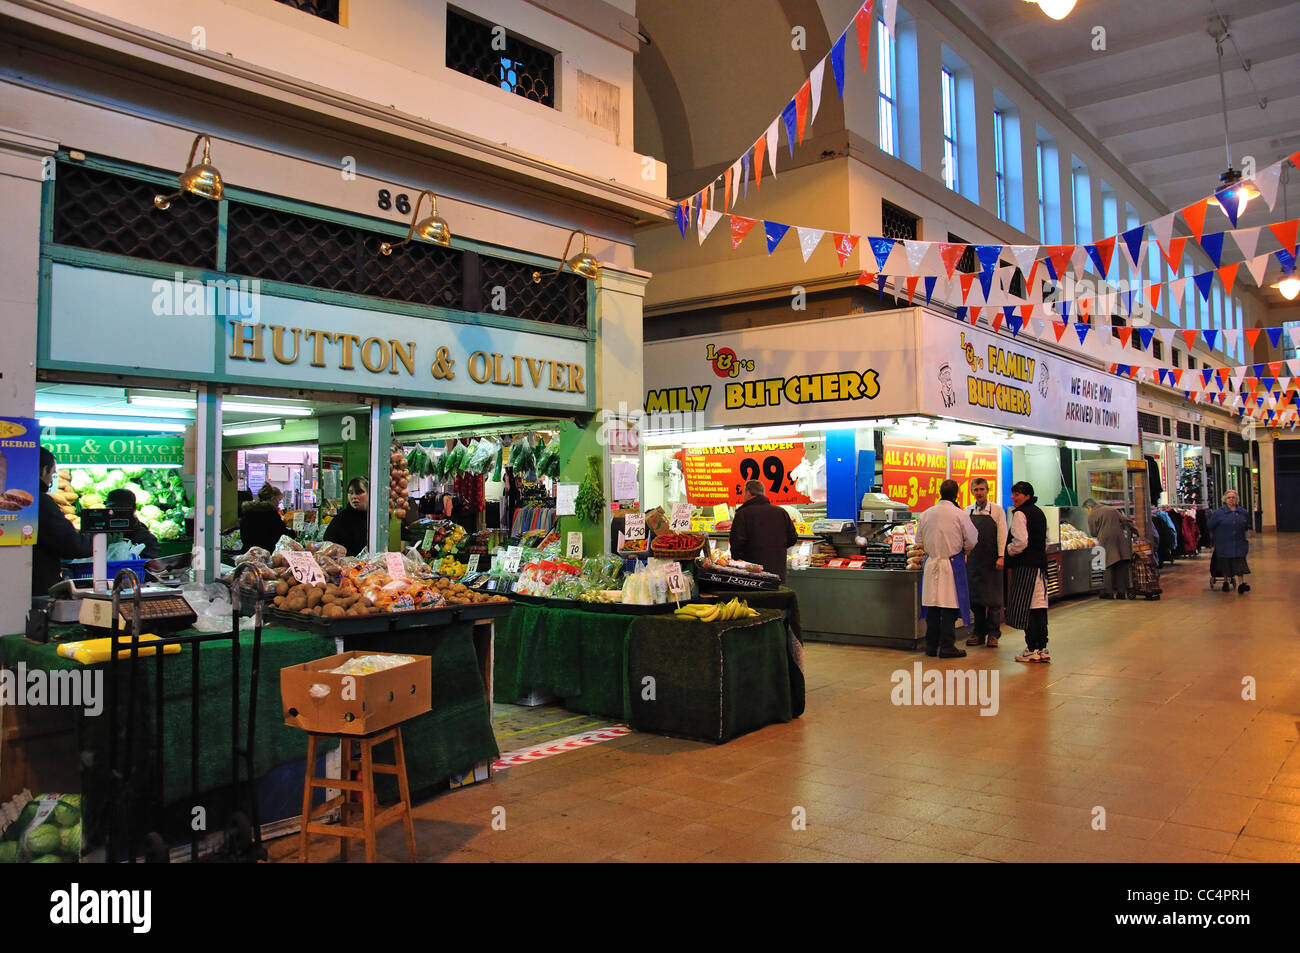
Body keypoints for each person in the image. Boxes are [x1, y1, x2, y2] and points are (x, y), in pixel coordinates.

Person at [917, 479, 979, 658]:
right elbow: (972, 540)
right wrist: (962, 549)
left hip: (931, 564)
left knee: (933, 608)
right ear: (956, 494)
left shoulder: (926, 514)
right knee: (949, 608)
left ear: (939, 492)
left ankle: (931, 646)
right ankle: (947, 646)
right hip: (951, 565)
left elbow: (919, 541)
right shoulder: (960, 515)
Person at [32, 447, 92, 595]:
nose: (51, 481)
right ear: (43, 470)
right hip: (35, 588)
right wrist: (100, 539)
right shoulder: (40, 502)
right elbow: (71, 544)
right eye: (52, 474)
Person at [1006, 481, 1051, 663]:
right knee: (1040, 609)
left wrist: (1010, 550)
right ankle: (1042, 648)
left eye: (1017, 494)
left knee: (1028, 609)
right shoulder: (1039, 512)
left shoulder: (1020, 514)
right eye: (1013, 494)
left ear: (1026, 496)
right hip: (1040, 568)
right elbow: (1046, 540)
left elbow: (1021, 542)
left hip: (1026, 568)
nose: (1013, 497)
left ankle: (1031, 648)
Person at [964, 477, 1007, 648]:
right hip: (974, 561)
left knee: (994, 600)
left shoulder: (996, 511)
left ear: (987, 490)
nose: (979, 493)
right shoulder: (967, 511)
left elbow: (1002, 534)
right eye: (976, 490)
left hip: (992, 561)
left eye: (982, 489)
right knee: (976, 599)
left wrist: (1001, 556)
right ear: (972, 492)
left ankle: (993, 634)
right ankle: (978, 633)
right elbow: (965, 535)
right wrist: (965, 554)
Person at [729, 479, 797, 581]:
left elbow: (737, 543)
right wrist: (777, 549)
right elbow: (793, 538)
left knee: (755, 597)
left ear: (747, 493)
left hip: (752, 574)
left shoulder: (743, 514)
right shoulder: (781, 512)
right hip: (777, 572)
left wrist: (738, 560)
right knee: (776, 596)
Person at [1085, 497, 1132, 599]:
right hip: (1120, 540)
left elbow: (1093, 533)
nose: (1086, 513)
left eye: (1086, 510)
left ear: (1089, 508)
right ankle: (1121, 593)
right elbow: (1126, 520)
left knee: (1108, 565)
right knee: (1120, 566)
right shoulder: (1112, 509)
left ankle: (1108, 592)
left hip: (1106, 541)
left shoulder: (1092, 515)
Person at [1208, 489, 1251, 594]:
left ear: (1237, 499)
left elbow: (1246, 526)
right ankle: (1225, 582)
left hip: (1239, 542)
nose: (1231, 499)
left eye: (1233, 497)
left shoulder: (1243, 512)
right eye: (1229, 497)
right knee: (1225, 564)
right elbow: (1210, 525)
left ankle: (1241, 584)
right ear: (1225, 499)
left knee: (1240, 563)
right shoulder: (1218, 513)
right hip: (1224, 543)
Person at [103, 488, 161, 559]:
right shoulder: (99, 535)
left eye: (123, 508)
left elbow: (150, 565)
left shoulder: (146, 538)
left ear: (134, 508)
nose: (118, 513)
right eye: (114, 508)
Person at [239, 483, 295, 553]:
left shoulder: (248, 512)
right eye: (278, 500)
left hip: (248, 553)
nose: (278, 503)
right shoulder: (271, 515)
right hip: (265, 555)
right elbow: (282, 535)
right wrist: (294, 533)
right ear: (272, 499)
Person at [323, 477, 369, 557]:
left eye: (359, 492)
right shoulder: (340, 520)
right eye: (350, 493)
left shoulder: (375, 519)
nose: (354, 496)